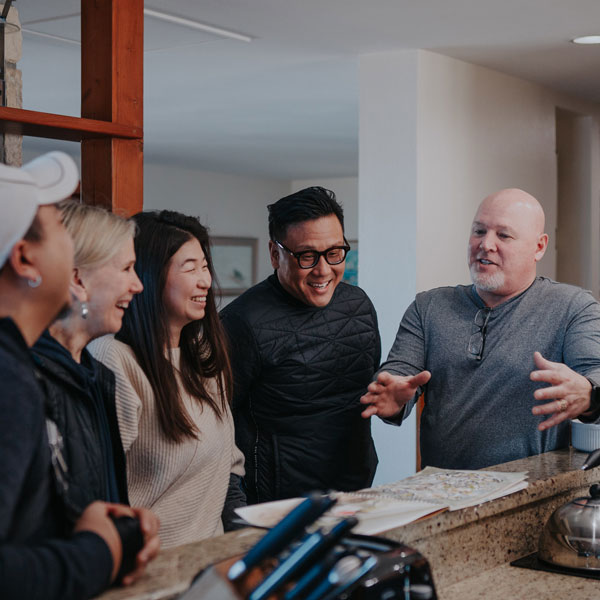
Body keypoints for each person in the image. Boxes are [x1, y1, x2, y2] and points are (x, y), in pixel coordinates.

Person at [0, 152, 159, 599]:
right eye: (56, 227)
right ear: (26, 259)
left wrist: (118, 530)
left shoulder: (85, 375)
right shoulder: (12, 378)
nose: (138, 284)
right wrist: (99, 550)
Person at [360, 188, 600, 471]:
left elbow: (594, 373)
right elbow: (399, 372)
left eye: (503, 235)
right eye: (479, 231)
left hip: (530, 496)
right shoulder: (428, 306)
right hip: (442, 495)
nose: (486, 244)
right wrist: (393, 393)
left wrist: (589, 394)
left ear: (539, 247)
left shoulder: (573, 307)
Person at [89, 210, 245, 548]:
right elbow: (98, 492)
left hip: (210, 560)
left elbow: (228, 467)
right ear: (148, 276)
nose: (205, 280)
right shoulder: (114, 359)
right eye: (190, 268)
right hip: (147, 567)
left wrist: (244, 540)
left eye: (205, 266)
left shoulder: (203, 354)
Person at [221, 186, 381, 504]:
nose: (323, 270)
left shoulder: (358, 304)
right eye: (307, 256)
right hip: (275, 505)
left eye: (334, 253)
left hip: (356, 494)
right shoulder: (240, 322)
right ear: (274, 253)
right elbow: (215, 426)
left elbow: (366, 395)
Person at [32, 202, 143, 516]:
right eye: (126, 268)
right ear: (77, 280)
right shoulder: (27, 380)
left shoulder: (97, 376)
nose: (138, 285)